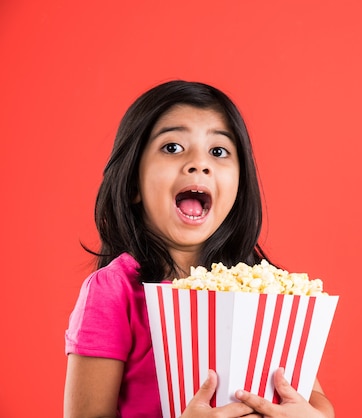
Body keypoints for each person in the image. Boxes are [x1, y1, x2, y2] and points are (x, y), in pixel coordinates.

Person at [64, 80, 335, 418]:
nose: (199, 164)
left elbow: (314, 398)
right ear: (133, 183)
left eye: (218, 152)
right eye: (173, 147)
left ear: (240, 184)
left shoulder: (265, 289)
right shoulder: (115, 291)